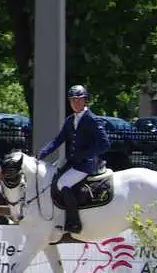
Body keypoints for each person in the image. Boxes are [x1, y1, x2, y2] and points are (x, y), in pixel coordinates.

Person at [35, 85, 110, 234]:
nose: (75, 103)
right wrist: (42, 153)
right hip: (72, 163)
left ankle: (74, 222)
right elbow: (58, 140)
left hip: (86, 165)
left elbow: (105, 144)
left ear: (85, 101)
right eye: (72, 100)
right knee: (52, 180)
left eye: (78, 100)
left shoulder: (92, 119)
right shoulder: (70, 120)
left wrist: (85, 155)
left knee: (63, 184)